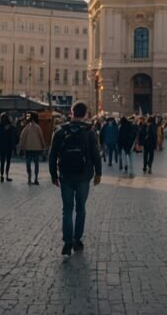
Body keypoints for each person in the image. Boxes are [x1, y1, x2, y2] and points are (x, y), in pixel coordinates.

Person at [49, 101, 102, 256]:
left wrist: (53, 175)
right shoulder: (89, 132)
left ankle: (67, 241)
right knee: (80, 210)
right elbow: (96, 155)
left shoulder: (60, 131)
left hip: (65, 176)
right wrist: (98, 173)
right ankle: (77, 240)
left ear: (71, 112)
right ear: (85, 114)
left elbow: (52, 155)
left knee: (67, 210)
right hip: (83, 176)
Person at [20, 111, 46, 185]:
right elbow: (41, 137)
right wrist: (43, 146)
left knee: (28, 163)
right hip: (36, 149)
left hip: (28, 149)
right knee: (36, 163)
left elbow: (23, 137)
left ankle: (29, 177)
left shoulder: (26, 127)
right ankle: (36, 178)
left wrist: (21, 147)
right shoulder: (38, 127)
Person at [0, 113, 17, 182]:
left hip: (2, 147)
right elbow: (13, 138)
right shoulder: (11, 128)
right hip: (9, 147)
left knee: (2, 162)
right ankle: (7, 175)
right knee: (8, 161)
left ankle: (1, 176)